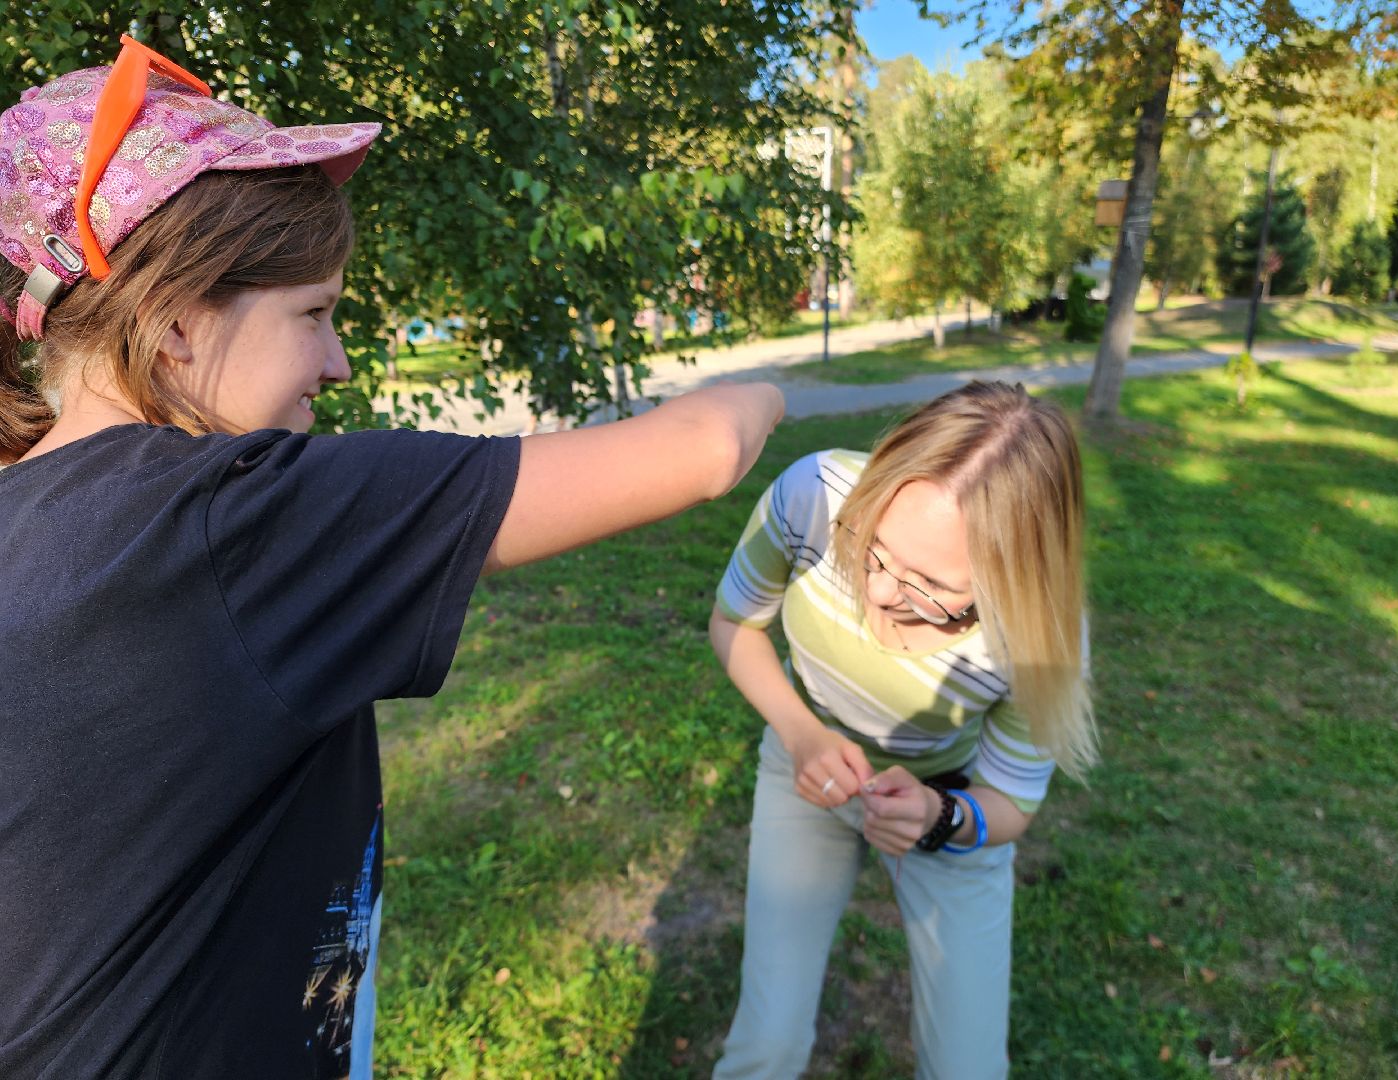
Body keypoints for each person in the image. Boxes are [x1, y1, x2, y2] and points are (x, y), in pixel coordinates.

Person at [0, 35, 784, 1080]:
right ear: (177, 324)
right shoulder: (231, 526)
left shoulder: (30, 509)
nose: (337, 359)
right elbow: (707, 448)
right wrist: (767, 381)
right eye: (314, 314)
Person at [709, 382, 1096, 1080]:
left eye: (930, 587)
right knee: (765, 1045)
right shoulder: (817, 497)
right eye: (874, 549)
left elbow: (1011, 803)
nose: (883, 595)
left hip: (945, 805)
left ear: (1014, 577)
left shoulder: (1041, 635)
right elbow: (733, 624)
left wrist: (939, 817)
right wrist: (800, 733)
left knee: (967, 1070)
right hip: (806, 773)